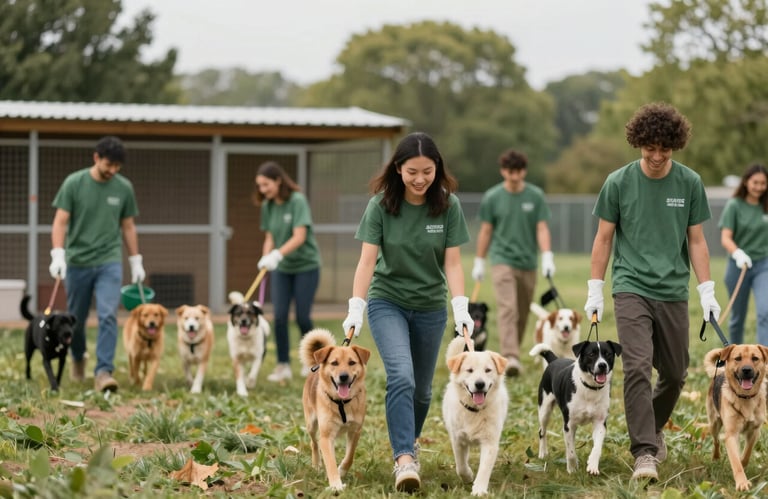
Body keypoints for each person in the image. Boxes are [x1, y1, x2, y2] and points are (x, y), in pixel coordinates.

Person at [583, 102, 721, 481]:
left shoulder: (689, 183)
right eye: (650, 148)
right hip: (631, 287)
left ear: (674, 146)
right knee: (638, 368)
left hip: (673, 289)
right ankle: (645, 451)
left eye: (665, 149)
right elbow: (604, 237)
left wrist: (706, 291)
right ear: (638, 143)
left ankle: (652, 427)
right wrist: (596, 289)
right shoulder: (619, 182)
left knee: (676, 373)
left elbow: (696, 241)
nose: (657, 156)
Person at [342, 131, 473, 493]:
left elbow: (454, 263)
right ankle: (403, 458)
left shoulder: (448, 205)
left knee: (423, 390)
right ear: (398, 169)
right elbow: (367, 262)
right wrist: (357, 306)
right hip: (389, 302)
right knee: (401, 375)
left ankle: (410, 442)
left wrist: (460, 307)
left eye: (427, 172)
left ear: (437, 169)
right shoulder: (381, 205)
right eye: (412, 171)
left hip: (431, 306)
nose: (420, 179)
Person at [49, 135, 146, 393]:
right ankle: (78, 356)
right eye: (108, 165)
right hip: (78, 260)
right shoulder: (74, 183)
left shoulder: (123, 187)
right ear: (96, 158)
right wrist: (58, 253)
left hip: (109, 260)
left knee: (107, 315)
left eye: (117, 166)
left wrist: (135, 260)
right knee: (76, 319)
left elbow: (128, 225)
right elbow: (60, 221)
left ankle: (104, 371)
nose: (112, 171)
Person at [472, 148, 555, 376]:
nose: (515, 176)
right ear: (503, 171)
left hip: (528, 262)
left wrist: (547, 254)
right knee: (508, 308)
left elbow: (541, 227)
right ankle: (511, 357)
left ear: (524, 171)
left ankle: (513, 350)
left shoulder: (535, 196)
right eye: (510, 172)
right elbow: (486, 231)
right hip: (502, 260)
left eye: (518, 171)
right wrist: (479, 260)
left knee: (521, 311)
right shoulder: (493, 197)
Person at [254, 161, 321, 382]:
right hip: (282, 268)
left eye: (266, 185)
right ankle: (283, 365)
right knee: (279, 316)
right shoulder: (268, 205)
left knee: (302, 316)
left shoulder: (297, 201)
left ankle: (312, 362)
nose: (263, 190)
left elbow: (299, 236)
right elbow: (269, 237)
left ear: (278, 180)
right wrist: (266, 257)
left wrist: (277, 254)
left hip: (306, 266)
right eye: (260, 186)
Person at [718, 163, 768, 345]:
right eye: (756, 182)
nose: (759, 187)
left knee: (765, 312)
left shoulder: (766, 206)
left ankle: (765, 360)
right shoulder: (734, 205)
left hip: (763, 265)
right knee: (737, 317)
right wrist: (738, 253)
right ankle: (735, 357)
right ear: (747, 182)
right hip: (738, 266)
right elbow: (725, 238)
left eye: (763, 183)